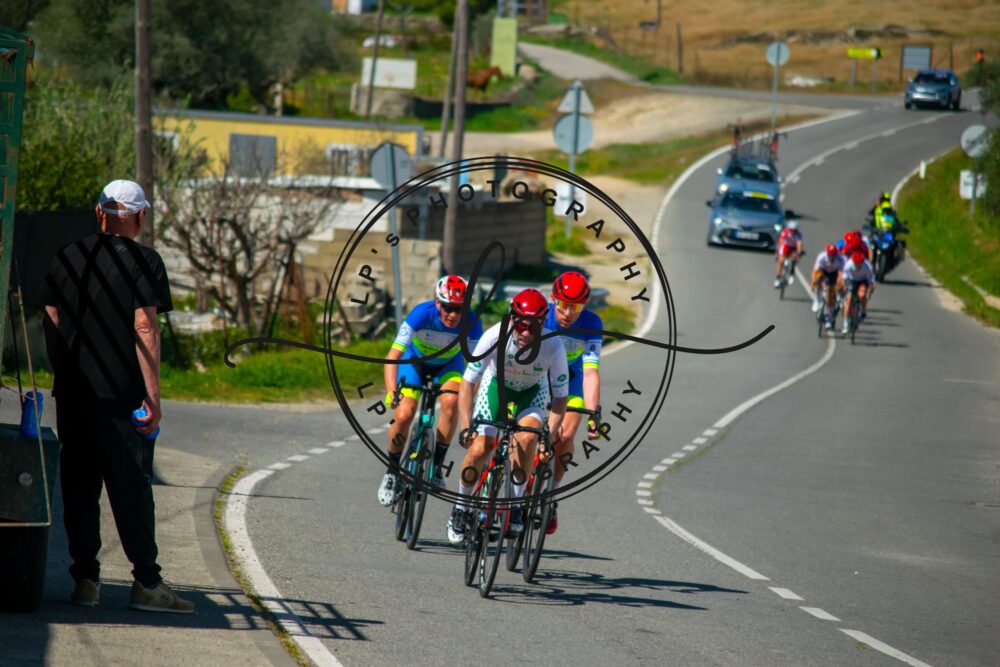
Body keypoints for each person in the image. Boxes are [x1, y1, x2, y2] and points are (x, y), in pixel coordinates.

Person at [42, 180, 194, 613]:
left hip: (74, 392)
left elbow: (51, 314)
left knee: (79, 484)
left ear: (99, 213)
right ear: (140, 217)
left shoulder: (66, 256)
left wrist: (65, 368)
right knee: (130, 487)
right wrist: (153, 398)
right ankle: (146, 583)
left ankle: (86, 581)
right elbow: (144, 324)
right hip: (122, 395)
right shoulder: (145, 261)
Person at [446, 289, 568, 545]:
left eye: (533, 327)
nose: (526, 333)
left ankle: (515, 505)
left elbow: (560, 398)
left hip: (532, 392)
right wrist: (467, 426)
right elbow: (468, 384)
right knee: (480, 449)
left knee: (527, 440)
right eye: (521, 324)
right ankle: (461, 508)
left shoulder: (553, 345)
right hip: (495, 387)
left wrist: (548, 433)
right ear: (511, 318)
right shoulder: (494, 336)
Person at [377, 275, 482, 506]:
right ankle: (392, 472)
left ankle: (436, 467)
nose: (453, 315)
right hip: (414, 362)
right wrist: (392, 391)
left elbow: (476, 368)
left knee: (451, 403)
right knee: (404, 415)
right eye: (448, 308)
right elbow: (393, 356)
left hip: (448, 366)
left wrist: (470, 402)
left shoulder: (472, 322)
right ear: (437, 303)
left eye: (459, 309)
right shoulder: (421, 314)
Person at [543, 271, 602, 534]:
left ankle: (551, 496)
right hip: (537, 376)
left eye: (575, 307)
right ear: (553, 299)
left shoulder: (592, 323)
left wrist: (593, 414)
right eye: (563, 305)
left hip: (570, 381)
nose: (568, 313)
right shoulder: (543, 316)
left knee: (565, 436)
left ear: (584, 306)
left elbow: (590, 372)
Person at [839, 250, 875, 333]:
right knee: (848, 300)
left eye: (859, 264)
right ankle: (845, 324)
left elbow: (871, 280)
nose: (858, 266)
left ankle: (863, 311)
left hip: (863, 280)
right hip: (852, 280)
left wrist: (870, 289)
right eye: (856, 264)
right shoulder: (849, 264)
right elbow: (844, 277)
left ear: (862, 262)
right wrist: (844, 286)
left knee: (862, 294)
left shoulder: (867, 266)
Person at [810, 244, 845, 329]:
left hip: (833, 274)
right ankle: (816, 300)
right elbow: (815, 271)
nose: (831, 257)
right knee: (817, 280)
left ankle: (829, 317)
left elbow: (841, 274)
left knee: (830, 294)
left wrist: (839, 284)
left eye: (833, 255)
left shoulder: (840, 259)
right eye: (830, 255)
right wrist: (813, 282)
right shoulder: (822, 257)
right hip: (823, 271)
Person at [774, 219, 803, 288]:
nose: (793, 231)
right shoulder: (785, 232)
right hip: (786, 247)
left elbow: (799, 244)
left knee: (794, 258)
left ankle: (791, 273)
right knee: (781, 261)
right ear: (789, 229)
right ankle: (778, 279)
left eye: (795, 230)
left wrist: (799, 253)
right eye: (791, 230)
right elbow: (781, 241)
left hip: (793, 248)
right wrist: (777, 251)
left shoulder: (798, 235)